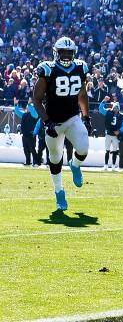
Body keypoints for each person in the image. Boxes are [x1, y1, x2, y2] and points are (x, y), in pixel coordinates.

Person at [32, 37, 91, 210]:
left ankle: (75, 165)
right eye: (62, 52)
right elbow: (36, 99)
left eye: (68, 52)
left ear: (74, 53)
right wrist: (47, 122)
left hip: (72, 117)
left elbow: (82, 94)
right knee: (55, 157)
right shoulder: (48, 70)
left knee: (83, 148)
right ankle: (59, 192)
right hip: (54, 122)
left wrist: (86, 117)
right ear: (56, 53)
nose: (65, 56)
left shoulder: (80, 68)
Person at [99, 99, 123, 171]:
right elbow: (101, 109)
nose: (115, 109)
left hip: (116, 136)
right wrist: (104, 101)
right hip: (108, 134)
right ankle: (106, 165)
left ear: (119, 108)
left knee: (115, 151)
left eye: (117, 108)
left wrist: (119, 131)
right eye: (114, 108)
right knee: (107, 150)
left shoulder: (122, 116)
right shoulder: (108, 112)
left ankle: (113, 166)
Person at [14, 100, 38, 166]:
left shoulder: (34, 114)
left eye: (28, 107)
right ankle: (28, 162)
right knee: (26, 149)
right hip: (24, 135)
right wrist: (16, 105)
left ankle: (36, 162)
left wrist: (29, 104)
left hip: (31, 135)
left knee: (32, 149)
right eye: (27, 107)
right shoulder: (24, 114)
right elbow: (17, 112)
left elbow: (33, 111)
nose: (27, 108)